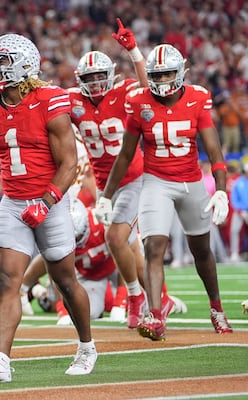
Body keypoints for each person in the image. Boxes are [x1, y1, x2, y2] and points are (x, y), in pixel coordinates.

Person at [0, 33, 97, 383]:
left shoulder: (50, 101)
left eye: (1, 62)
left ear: (24, 65)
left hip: (49, 199)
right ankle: (0, 360)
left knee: (65, 281)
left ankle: (86, 346)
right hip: (13, 201)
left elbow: (68, 162)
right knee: (8, 279)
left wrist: (48, 201)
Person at [97, 43, 232, 340]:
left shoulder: (198, 98)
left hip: (192, 182)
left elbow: (214, 150)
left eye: (168, 74)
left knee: (202, 251)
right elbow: (125, 154)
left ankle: (216, 307)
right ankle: (155, 315)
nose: (161, 81)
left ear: (181, 72)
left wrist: (221, 190)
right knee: (154, 246)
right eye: (156, 75)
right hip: (156, 181)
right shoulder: (139, 101)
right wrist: (106, 195)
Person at [69, 19, 150, 329]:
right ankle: (156, 300)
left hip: (134, 177)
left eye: (100, 76)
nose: (96, 82)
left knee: (115, 237)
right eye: (89, 77)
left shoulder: (124, 91)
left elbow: (147, 89)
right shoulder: (73, 101)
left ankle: (134, 296)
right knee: (128, 243)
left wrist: (134, 52)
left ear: (111, 75)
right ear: (80, 80)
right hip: (105, 185)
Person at [22, 199, 186, 324]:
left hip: (117, 267)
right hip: (91, 275)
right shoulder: (63, 233)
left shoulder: (103, 223)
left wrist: (121, 302)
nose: (78, 242)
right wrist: (62, 310)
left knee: (138, 264)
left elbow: (127, 257)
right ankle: (35, 292)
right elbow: (51, 261)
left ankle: (164, 299)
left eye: (79, 237)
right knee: (85, 311)